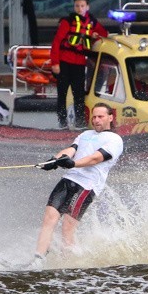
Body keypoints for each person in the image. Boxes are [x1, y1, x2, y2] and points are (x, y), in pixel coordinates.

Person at [29, 102, 123, 270]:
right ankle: (38, 260)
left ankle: (69, 265)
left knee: (67, 227)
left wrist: (72, 164)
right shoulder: (85, 134)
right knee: (49, 218)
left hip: (86, 187)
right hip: (68, 180)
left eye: (100, 116)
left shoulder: (115, 140)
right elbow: (70, 150)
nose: (96, 120)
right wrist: (54, 160)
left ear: (110, 117)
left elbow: (95, 158)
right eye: (94, 117)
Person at [51, 0, 108, 129]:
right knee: (62, 95)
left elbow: (104, 33)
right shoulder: (67, 21)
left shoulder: (92, 22)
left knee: (79, 95)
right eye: (77, 6)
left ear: (87, 7)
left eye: (82, 6)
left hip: (80, 64)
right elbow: (57, 42)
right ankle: (62, 122)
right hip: (64, 62)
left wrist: (94, 33)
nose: (79, 8)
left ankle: (80, 122)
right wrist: (55, 63)